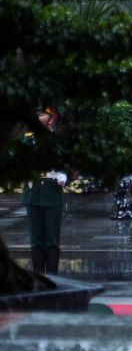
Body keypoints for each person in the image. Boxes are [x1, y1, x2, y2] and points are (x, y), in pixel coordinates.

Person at [23, 106, 66, 276]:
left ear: (51, 118)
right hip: (33, 192)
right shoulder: (28, 139)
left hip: (51, 190)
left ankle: (53, 279)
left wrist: (64, 174)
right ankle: (38, 278)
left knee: (52, 241)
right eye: (38, 114)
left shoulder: (58, 139)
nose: (38, 117)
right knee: (36, 241)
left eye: (42, 114)